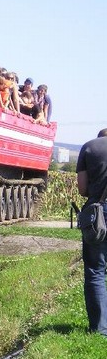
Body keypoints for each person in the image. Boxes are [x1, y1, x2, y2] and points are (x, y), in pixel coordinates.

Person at [76, 128, 107, 336]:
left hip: (99, 213)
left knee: (96, 271)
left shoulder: (89, 147)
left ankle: (100, 329)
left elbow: (82, 189)